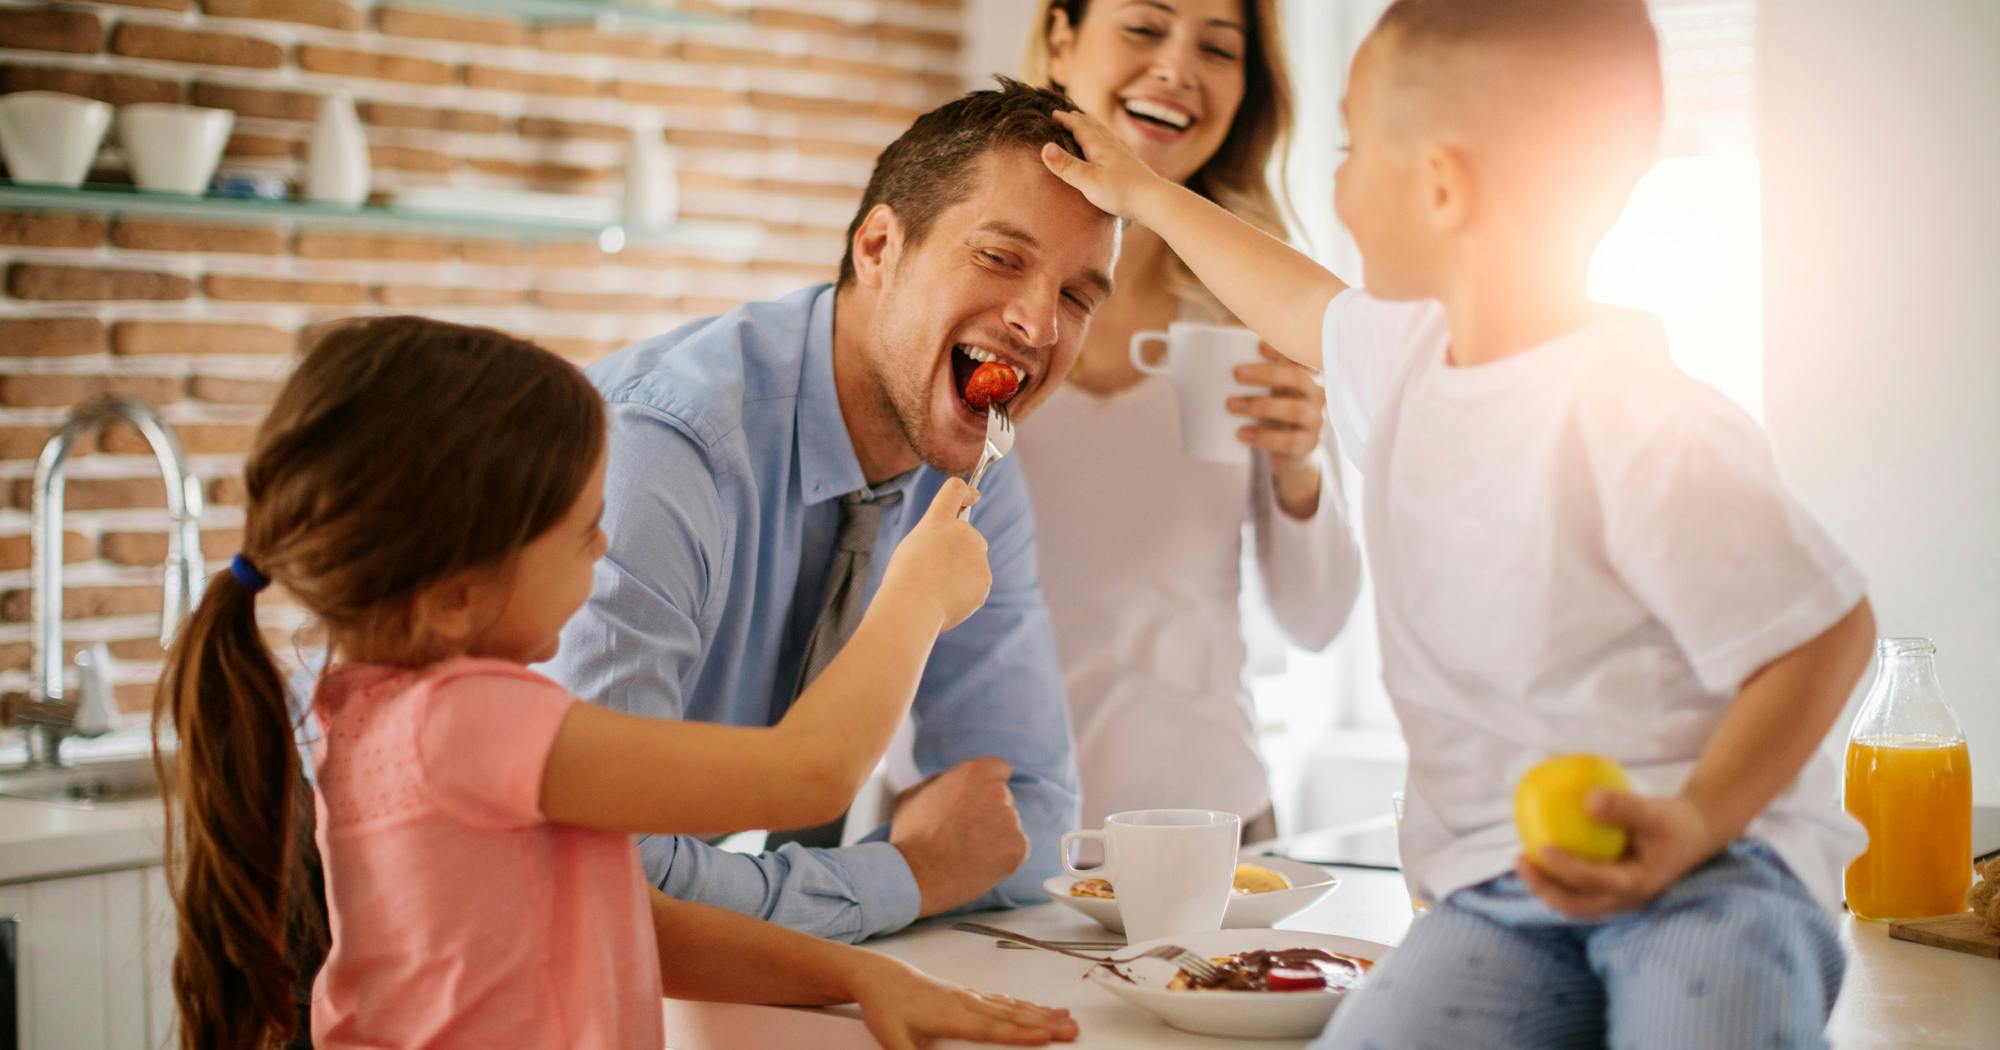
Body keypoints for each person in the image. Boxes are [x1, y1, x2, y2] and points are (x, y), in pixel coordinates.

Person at [1036, 1, 1876, 1046]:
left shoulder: (1637, 414)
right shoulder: (1402, 363)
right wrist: (1142, 196)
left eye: (1347, 150)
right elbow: (1285, 292)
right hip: (1498, 890)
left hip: (1717, 876)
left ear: (1438, 186)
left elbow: (1823, 633)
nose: (1330, 185)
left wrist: (1697, 821)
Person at [153, 316, 1079, 1050]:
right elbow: (812, 773)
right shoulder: (471, 722)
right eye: (581, 530)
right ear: (455, 594)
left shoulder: (367, 711)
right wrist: (913, 597)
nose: (604, 549)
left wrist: (859, 975)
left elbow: (629, 918)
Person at [541, 81, 1116, 942]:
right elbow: (610, 874)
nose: (1038, 323)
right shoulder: (659, 451)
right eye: (1001, 258)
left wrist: (911, 871)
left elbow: (1021, 813)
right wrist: (904, 875)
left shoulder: (974, 468)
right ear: (880, 247)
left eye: (1077, 296)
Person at [1014, 0, 1361, 839]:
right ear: (1061, 38)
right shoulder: (966, 291)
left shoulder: (1257, 311)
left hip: (1214, 834)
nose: (1178, 68)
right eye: (1143, 27)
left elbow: (1319, 622)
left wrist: (1299, 468)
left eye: (1218, 47)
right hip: (979, 837)